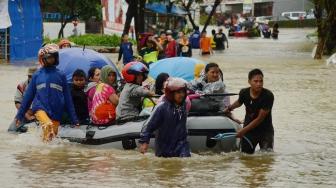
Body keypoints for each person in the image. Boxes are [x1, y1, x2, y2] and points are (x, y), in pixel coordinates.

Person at [15, 44, 79, 142]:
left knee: (50, 140)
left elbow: (68, 99)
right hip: (40, 109)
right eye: (50, 57)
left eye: (54, 57)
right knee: (48, 125)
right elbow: (28, 97)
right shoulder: (36, 75)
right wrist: (19, 115)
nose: (52, 59)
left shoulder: (61, 75)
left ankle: (43, 155)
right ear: (43, 59)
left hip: (56, 112)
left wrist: (74, 120)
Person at [224, 69, 274, 154]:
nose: (259, 84)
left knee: (266, 157)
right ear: (249, 82)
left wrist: (243, 131)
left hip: (265, 131)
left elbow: (259, 119)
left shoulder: (268, 96)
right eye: (256, 81)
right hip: (249, 131)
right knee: (245, 156)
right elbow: (239, 102)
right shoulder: (244, 92)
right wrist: (229, 108)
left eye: (261, 81)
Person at [139, 77, 191, 157]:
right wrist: (144, 142)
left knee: (184, 161)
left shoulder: (183, 105)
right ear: (171, 93)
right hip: (165, 146)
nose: (182, 95)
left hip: (182, 144)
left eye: (183, 92)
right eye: (178, 92)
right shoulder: (162, 107)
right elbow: (148, 126)